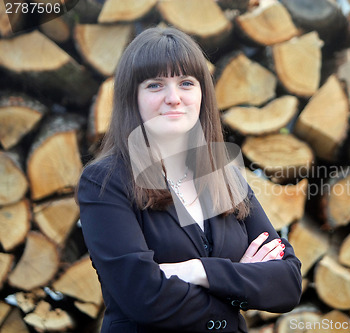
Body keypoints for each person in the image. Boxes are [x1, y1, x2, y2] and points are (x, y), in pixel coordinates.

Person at [77, 27, 302, 333]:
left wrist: (197, 271)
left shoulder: (223, 176)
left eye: (186, 83)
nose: (174, 98)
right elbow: (143, 297)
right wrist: (237, 286)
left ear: (202, 94)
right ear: (133, 97)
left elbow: (287, 281)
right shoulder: (104, 181)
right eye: (155, 85)